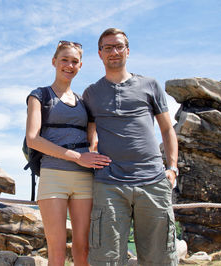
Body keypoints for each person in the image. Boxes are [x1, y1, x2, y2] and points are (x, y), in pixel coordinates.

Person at [83, 28, 179, 266]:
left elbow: (167, 129)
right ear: (100, 54)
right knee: (105, 258)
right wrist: (91, 154)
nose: (113, 52)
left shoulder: (150, 85)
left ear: (127, 51)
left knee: (160, 258)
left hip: (154, 180)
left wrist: (173, 167)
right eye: (108, 48)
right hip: (109, 185)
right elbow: (90, 133)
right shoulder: (91, 93)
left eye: (118, 46)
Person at [25, 41, 111, 266]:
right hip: (53, 176)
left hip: (84, 180)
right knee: (57, 249)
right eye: (64, 60)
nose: (69, 65)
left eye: (74, 61)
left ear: (80, 65)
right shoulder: (39, 96)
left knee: (83, 249)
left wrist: (93, 152)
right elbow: (33, 139)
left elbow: (93, 136)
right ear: (54, 61)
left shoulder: (84, 102)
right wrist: (78, 157)